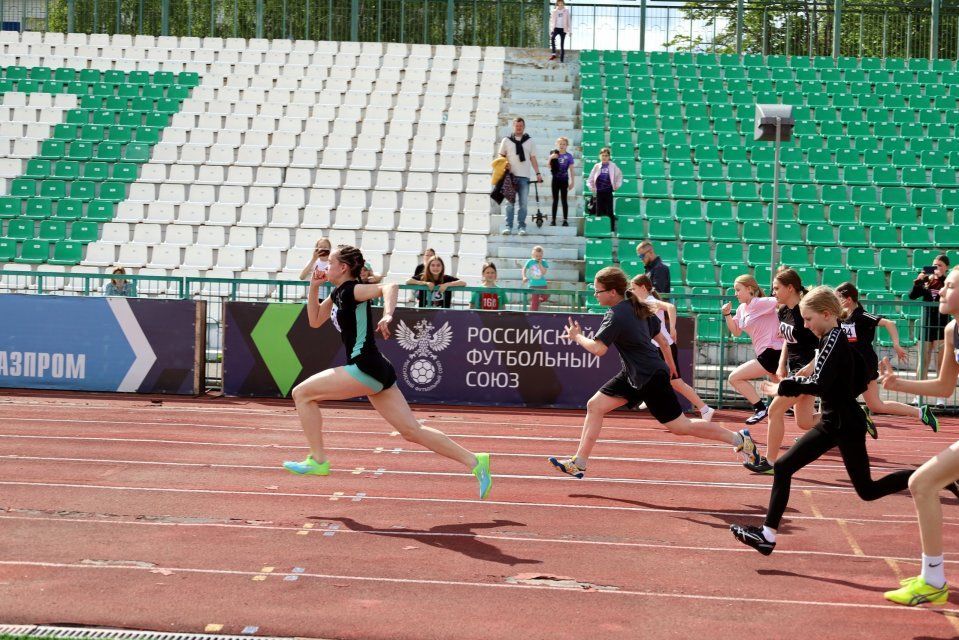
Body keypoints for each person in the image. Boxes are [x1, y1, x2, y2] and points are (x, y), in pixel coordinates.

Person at [282, 245, 492, 499]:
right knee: (411, 431)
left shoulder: (351, 290)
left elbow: (390, 286)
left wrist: (388, 315)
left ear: (343, 268)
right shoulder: (338, 293)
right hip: (376, 368)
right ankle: (475, 461)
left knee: (302, 393)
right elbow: (315, 320)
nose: (326, 267)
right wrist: (314, 286)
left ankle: (317, 459)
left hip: (364, 367)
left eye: (331, 263)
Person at [729, 286, 914, 556]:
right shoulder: (831, 338)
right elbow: (849, 377)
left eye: (808, 319)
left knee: (867, 490)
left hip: (844, 424)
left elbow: (819, 383)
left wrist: (782, 387)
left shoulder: (835, 339)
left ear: (827, 314)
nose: (805, 325)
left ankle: (930, 476)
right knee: (784, 467)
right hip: (833, 421)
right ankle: (767, 536)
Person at [547, 267, 762, 479]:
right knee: (595, 405)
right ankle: (579, 463)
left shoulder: (616, 314)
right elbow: (663, 341)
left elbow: (598, 349)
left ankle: (740, 440)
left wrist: (577, 336)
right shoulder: (637, 306)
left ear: (612, 292)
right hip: (636, 374)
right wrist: (670, 366)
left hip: (648, 376)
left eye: (598, 291)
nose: (595, 294)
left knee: (680, 426)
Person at [878, 266, 959, 606]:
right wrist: (899, 384)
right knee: (922, 483)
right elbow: (944, 386)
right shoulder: (953, 330)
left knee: (922, 483)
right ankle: (932, 578)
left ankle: (933, 579)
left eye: (950, 285)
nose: (941, 290)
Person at [836, 281, 939, 434]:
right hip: (854, 364)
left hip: (863, 364)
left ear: (848, 299)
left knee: (840, 397)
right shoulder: (843, 317)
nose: (836, 302)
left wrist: (896, 344)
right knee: (876, 405)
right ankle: (921, 412)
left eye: (838, 298)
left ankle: (859, 417)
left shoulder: (861, 315)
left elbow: (889, 323)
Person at [756, 268, 819, 474]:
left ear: (790, 288)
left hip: (809, 373)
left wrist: (809, 368)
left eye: (776, 288)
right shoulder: (784, 311)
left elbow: (825, 343)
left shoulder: (806, 312)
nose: (773, 292)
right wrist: (782, 363)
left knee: (774, 410)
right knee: (805, 422)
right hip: (795, 370)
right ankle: (852, 416)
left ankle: (771, 462)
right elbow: (787, 340)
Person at [631, 274, 715, 422]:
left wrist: (673, 328)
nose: (632, 291)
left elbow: (670, 307)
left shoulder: (651, 301)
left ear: (643, 287)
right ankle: (648, 395)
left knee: (676, 382)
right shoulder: (641, 303)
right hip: (655, 347)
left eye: (634, 288)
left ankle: (705, 409)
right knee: (650, 375)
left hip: (665, 346)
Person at [722, 274, 784, 426]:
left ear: (749, 289)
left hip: (773, 351)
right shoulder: (742, 308)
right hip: (765, 353)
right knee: (788, 393)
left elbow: (783, 301)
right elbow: (736, 331)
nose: (735, 294)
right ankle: (816, 422)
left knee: (734, 378)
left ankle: (760, 409)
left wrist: (783, 325)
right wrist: (727, 314)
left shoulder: (759, 302)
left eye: (738, 290)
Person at [909, 254, 950, 406]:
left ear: (946, 267)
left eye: (939, 265)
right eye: (934, 265)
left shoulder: (948, 281)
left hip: (941, 325)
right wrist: (919, 281)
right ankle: (918, 395)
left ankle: (940, 397)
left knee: (940, 362)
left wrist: (942, 279)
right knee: (923, 361)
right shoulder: (927, 281)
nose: (936, 268)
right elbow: (912, 296)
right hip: (926, 324)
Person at [498, 117, 541, 236]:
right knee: (509, 204)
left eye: (521, 126)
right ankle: (508, 227)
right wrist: (504, 164)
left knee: (523, 204)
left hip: (524, 177)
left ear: (524, 127)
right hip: (510, 176)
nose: (519, 128)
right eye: (517, 126)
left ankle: (521, 227)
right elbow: (501, 156)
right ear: (513, 126)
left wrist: (538, 173)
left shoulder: (530, 141)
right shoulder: (506, 140)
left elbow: (533, 158)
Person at [586, 147, 622, 232]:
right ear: (600, 156)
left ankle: (611, 230)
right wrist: (591, 187)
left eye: (606, 155)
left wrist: (617, 185)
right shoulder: (596, 166)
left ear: (609, 156)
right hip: (599, 192)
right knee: (598, 212)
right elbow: (590, 178)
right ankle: (599, 229)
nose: (604, 157)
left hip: (608, 192)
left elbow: (619, 176)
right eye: (603, 155)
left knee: (609, 212)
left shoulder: (613, 166)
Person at [549, 137, 574, 226]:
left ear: (567, 145)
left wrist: (572, 182)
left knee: (564, 200)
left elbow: (571, 170)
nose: (562, 146)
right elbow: (549, 166)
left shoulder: (569, 156)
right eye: (560, 144)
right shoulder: (554, 154)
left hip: (564, 180)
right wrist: (551, 158)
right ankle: (553, 220)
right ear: (557, 145)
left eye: (564, 144)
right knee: (555, 200)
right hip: (555, 179)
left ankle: (565, 220)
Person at [523, 245, 550, 312]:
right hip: (533, 284)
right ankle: (533, 312)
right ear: (533, 255)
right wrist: (524, 276)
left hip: (542, 284)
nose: (538, 257)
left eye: (540, 256)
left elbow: (543, 272)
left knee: (546, 296)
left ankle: (537, 301)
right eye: (536, 256)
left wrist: (540, 264)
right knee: (534, 301)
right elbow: (524, 269)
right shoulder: (530, 261)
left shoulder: (544, 262)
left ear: (542, 255)